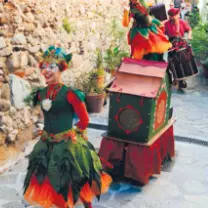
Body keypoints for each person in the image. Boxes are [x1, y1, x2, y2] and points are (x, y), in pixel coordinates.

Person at [23, 46, 112, 208]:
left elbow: (84, 120)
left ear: (61, 69)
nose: (46, 71)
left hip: (67, 145)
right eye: (44, 67)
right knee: (53, 183)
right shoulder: (41, 94)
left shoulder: (70, 93)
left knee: (77, 179)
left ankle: (86, 204)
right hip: (46, 145)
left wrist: (74, 134)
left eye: (52, 67)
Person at [164, 8, 192, 88]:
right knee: (172, 62)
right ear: (169, 16)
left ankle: (181, 79)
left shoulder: (182, 22)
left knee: (183, 62)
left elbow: (189, 29)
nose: (174, 17)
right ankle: (175, 78)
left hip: (181, 44)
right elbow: (162, 33)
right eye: (171, 16)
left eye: (175, 15)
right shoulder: (166, 24)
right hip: (172, 44)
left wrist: (189, 35)